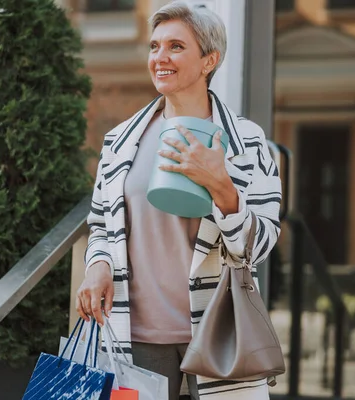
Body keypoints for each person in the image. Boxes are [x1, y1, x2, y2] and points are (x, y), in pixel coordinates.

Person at [75, 2, 281, 399]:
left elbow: (260, 245)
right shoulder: (120, 141)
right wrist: (98, 264)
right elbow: (101, 224)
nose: (159, 58)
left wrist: (222, 187)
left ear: (210, 60)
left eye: (175, 46)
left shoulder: (247, 143)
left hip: (220, 329)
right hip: (135, 334)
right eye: (154, 47)